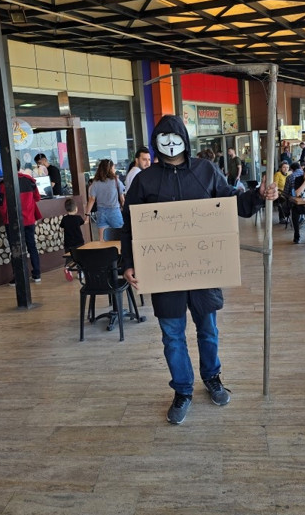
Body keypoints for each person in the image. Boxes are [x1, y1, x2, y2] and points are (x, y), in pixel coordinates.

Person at [120, 114, 278, 425]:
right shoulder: (144, 180)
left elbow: (232, 203)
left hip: (204, 272)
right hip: (165, 275)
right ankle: (182, 390)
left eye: (174, 136)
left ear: (184, 138)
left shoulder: (205, 171)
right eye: (162, 137)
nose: (169, 142)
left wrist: (258, 196)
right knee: (172, 336)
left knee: (208, 331)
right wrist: (127, 263)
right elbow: (129, 227)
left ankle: (212, 378)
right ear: (155, 142)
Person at [0, 161, 42, 284]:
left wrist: (5, 219)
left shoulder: (4, 184)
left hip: (13, 221)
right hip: (29, 219)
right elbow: (37, 198)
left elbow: (2, 206)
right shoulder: (30, 181)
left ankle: (19, 277)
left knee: (16, 248)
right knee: (31, 246)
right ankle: (37, 274)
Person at [87, 159, 125, 241]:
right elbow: (122, 199)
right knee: (120, 238)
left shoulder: (95, 183)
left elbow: (92, 200)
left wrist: (87, 215)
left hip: (101, 212)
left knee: (102, 240)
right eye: (113, 167)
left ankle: (104, 253)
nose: (114, 169)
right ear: (110, 168)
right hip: (114, 211)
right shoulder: (115, 181)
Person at [60, 198, 87, 281]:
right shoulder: (78, 218)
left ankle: (67, 267)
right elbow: (83, 222)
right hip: (78, 242)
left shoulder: (64, 219)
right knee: (80, 258)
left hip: (68, 243)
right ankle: (80, 273)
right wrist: (87, 219)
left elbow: (61, 226)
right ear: (76, 209)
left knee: (69, 257)